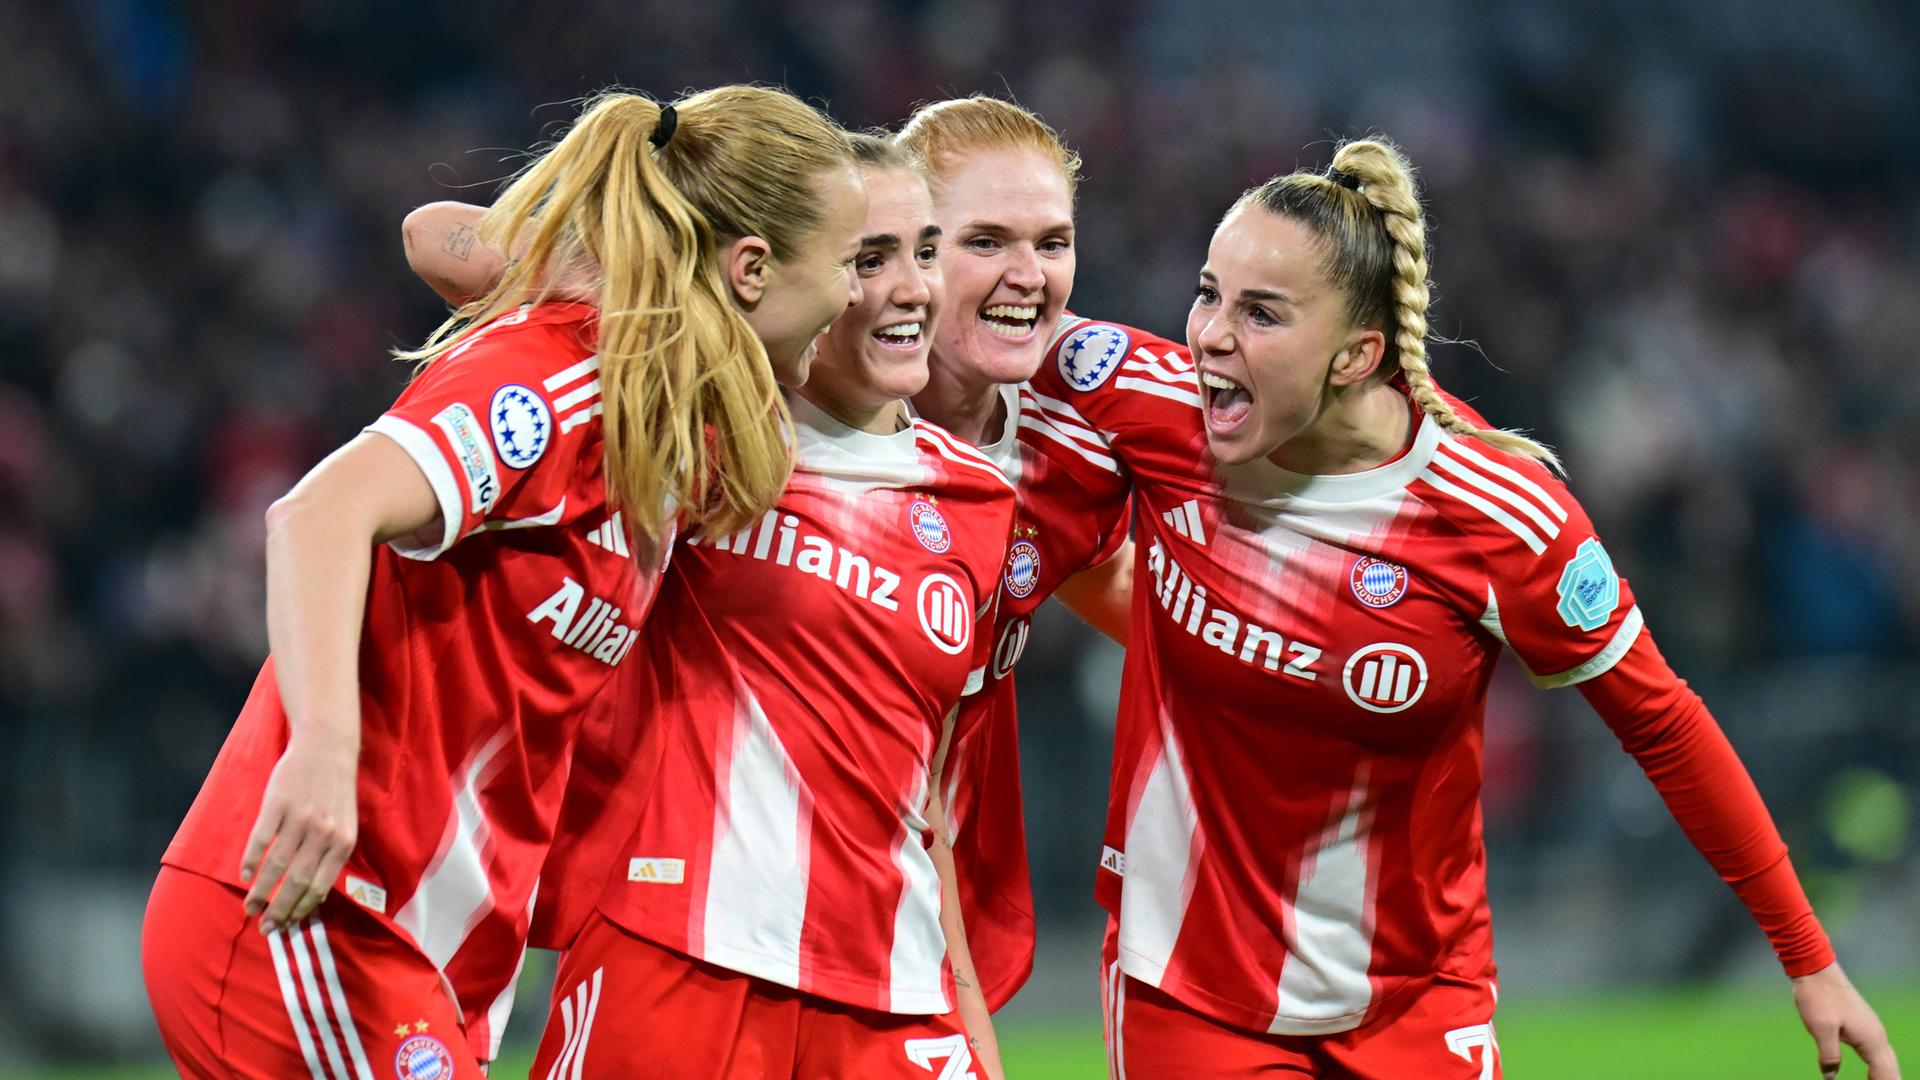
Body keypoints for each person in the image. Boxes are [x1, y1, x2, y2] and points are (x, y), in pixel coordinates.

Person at [1027, 137, 1901, 1079]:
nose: (1209, 335)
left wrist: (1807, 957)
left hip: (1416, 1004)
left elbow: (1665, 724)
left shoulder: (1501, 520)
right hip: (1189, 995)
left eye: (1262, 314)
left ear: (1360, 353)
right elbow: (970, 328)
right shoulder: (1138, 397)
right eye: (1209, 294)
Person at [140, 85, 865, 1077]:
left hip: (431, 956)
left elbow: (443, 238)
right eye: (851, 263)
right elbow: (317, 514)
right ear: (750, 269)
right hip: (313, 912)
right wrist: (321, 748)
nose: (861, 296)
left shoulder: (671, 427)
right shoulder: (558, 380)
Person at [515, 133, 1019, 1079]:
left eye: (924, 249)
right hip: (678, 951)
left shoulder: (979, 503)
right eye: (867, 259)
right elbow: (438, 240)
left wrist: (971, 1022)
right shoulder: (694, 430)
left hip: (895, 989)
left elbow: (927, 797)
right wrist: (689, 281)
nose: (910, 287)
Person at [893, 96, 1136, 1011]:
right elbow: (436, 237)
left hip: (935, 914)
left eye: (1052, 242)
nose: (1029, 275)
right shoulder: (796, 393)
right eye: (985, 241)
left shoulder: (1065, 449)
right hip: (735, 895)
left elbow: (1162, 618)